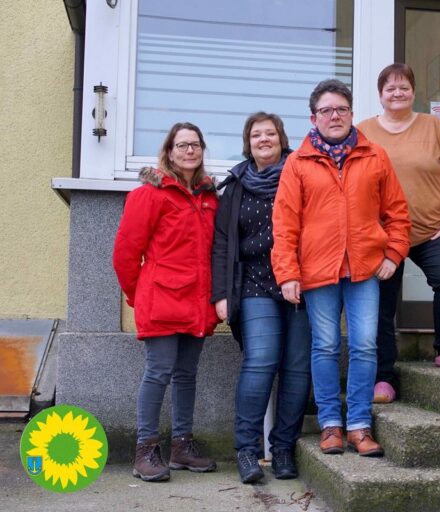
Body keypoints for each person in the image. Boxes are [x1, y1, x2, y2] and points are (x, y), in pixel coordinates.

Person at [272, 79, 411, 457]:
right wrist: (288, 273)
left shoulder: (375, 156)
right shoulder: (298, 163)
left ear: (351, 113)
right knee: (326, 346)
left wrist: (393, 254)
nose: (334, 116)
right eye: (326, 110)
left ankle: (359, 427)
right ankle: (331, 425)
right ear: (313, 118)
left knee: (365, 345)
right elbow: (285, 224)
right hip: (318, 272)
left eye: (341, 109)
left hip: (365, 270)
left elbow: (398, 212)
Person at [357, 63, 440, 404]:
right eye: (390, 88)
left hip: (431, 230)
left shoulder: (433, 126)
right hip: (382, 236)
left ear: (413, 91)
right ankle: (383, 378)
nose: (397, 93)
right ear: (380, 95)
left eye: (404, 87)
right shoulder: (363, 132)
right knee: (380, 303)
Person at [113, 122, 219, 482]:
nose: (190, 151)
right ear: (169, 152)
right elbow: (126, 254)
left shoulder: (209, 197)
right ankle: (145, 450)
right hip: (161, 298)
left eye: (195, 144)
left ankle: (181, 447)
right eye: (182, 145)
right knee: (158, 373)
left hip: (197, 301)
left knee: (187, 375)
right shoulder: (150, 195)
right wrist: (138, 294)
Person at [211, 112, 311, 483]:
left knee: (297, 366)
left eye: (270, 133)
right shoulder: (236, 185)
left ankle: (283, 447)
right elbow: (222, 243)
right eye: (257, 135)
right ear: (248, 143)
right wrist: (221, 293)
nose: (264, 139)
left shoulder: (301, 175)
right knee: (262, 359)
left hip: (300, 282)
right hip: (253, 283)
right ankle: (247, 451)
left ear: (282, 139)